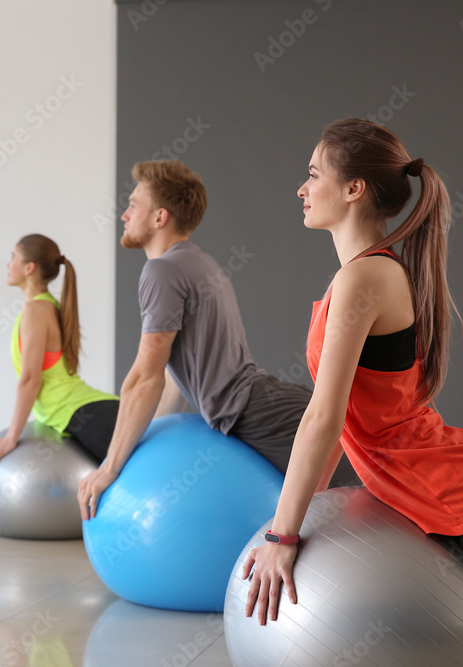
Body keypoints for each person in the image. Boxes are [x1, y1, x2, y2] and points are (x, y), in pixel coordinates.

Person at [243, 118, 463, 625]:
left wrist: (282, 535)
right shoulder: (367, 272)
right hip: (450, 481)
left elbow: (323, 419)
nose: (302, 189)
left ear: (354, 188)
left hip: (462, 489)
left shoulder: (364, 277)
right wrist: (298, 516)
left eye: (314, 175)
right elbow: (345, 422)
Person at [77, 160, 358, 520]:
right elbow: (173, 380)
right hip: (260, 404)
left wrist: (110, 467)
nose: (124, 215)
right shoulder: (198, 263)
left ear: (160, 217)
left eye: (133, 205)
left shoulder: (161, 270)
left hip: (257, 412)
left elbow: (145, 377)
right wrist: (143, 450)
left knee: (359, 507)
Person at [0, 234, 119, 472]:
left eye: (13, 257)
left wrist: (12, 437)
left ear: (29, 267)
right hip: (85, 410)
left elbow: (31, 379)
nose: (7, 264)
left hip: (84, 412)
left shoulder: (35, 310)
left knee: (141, 482)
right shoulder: (46, 305)